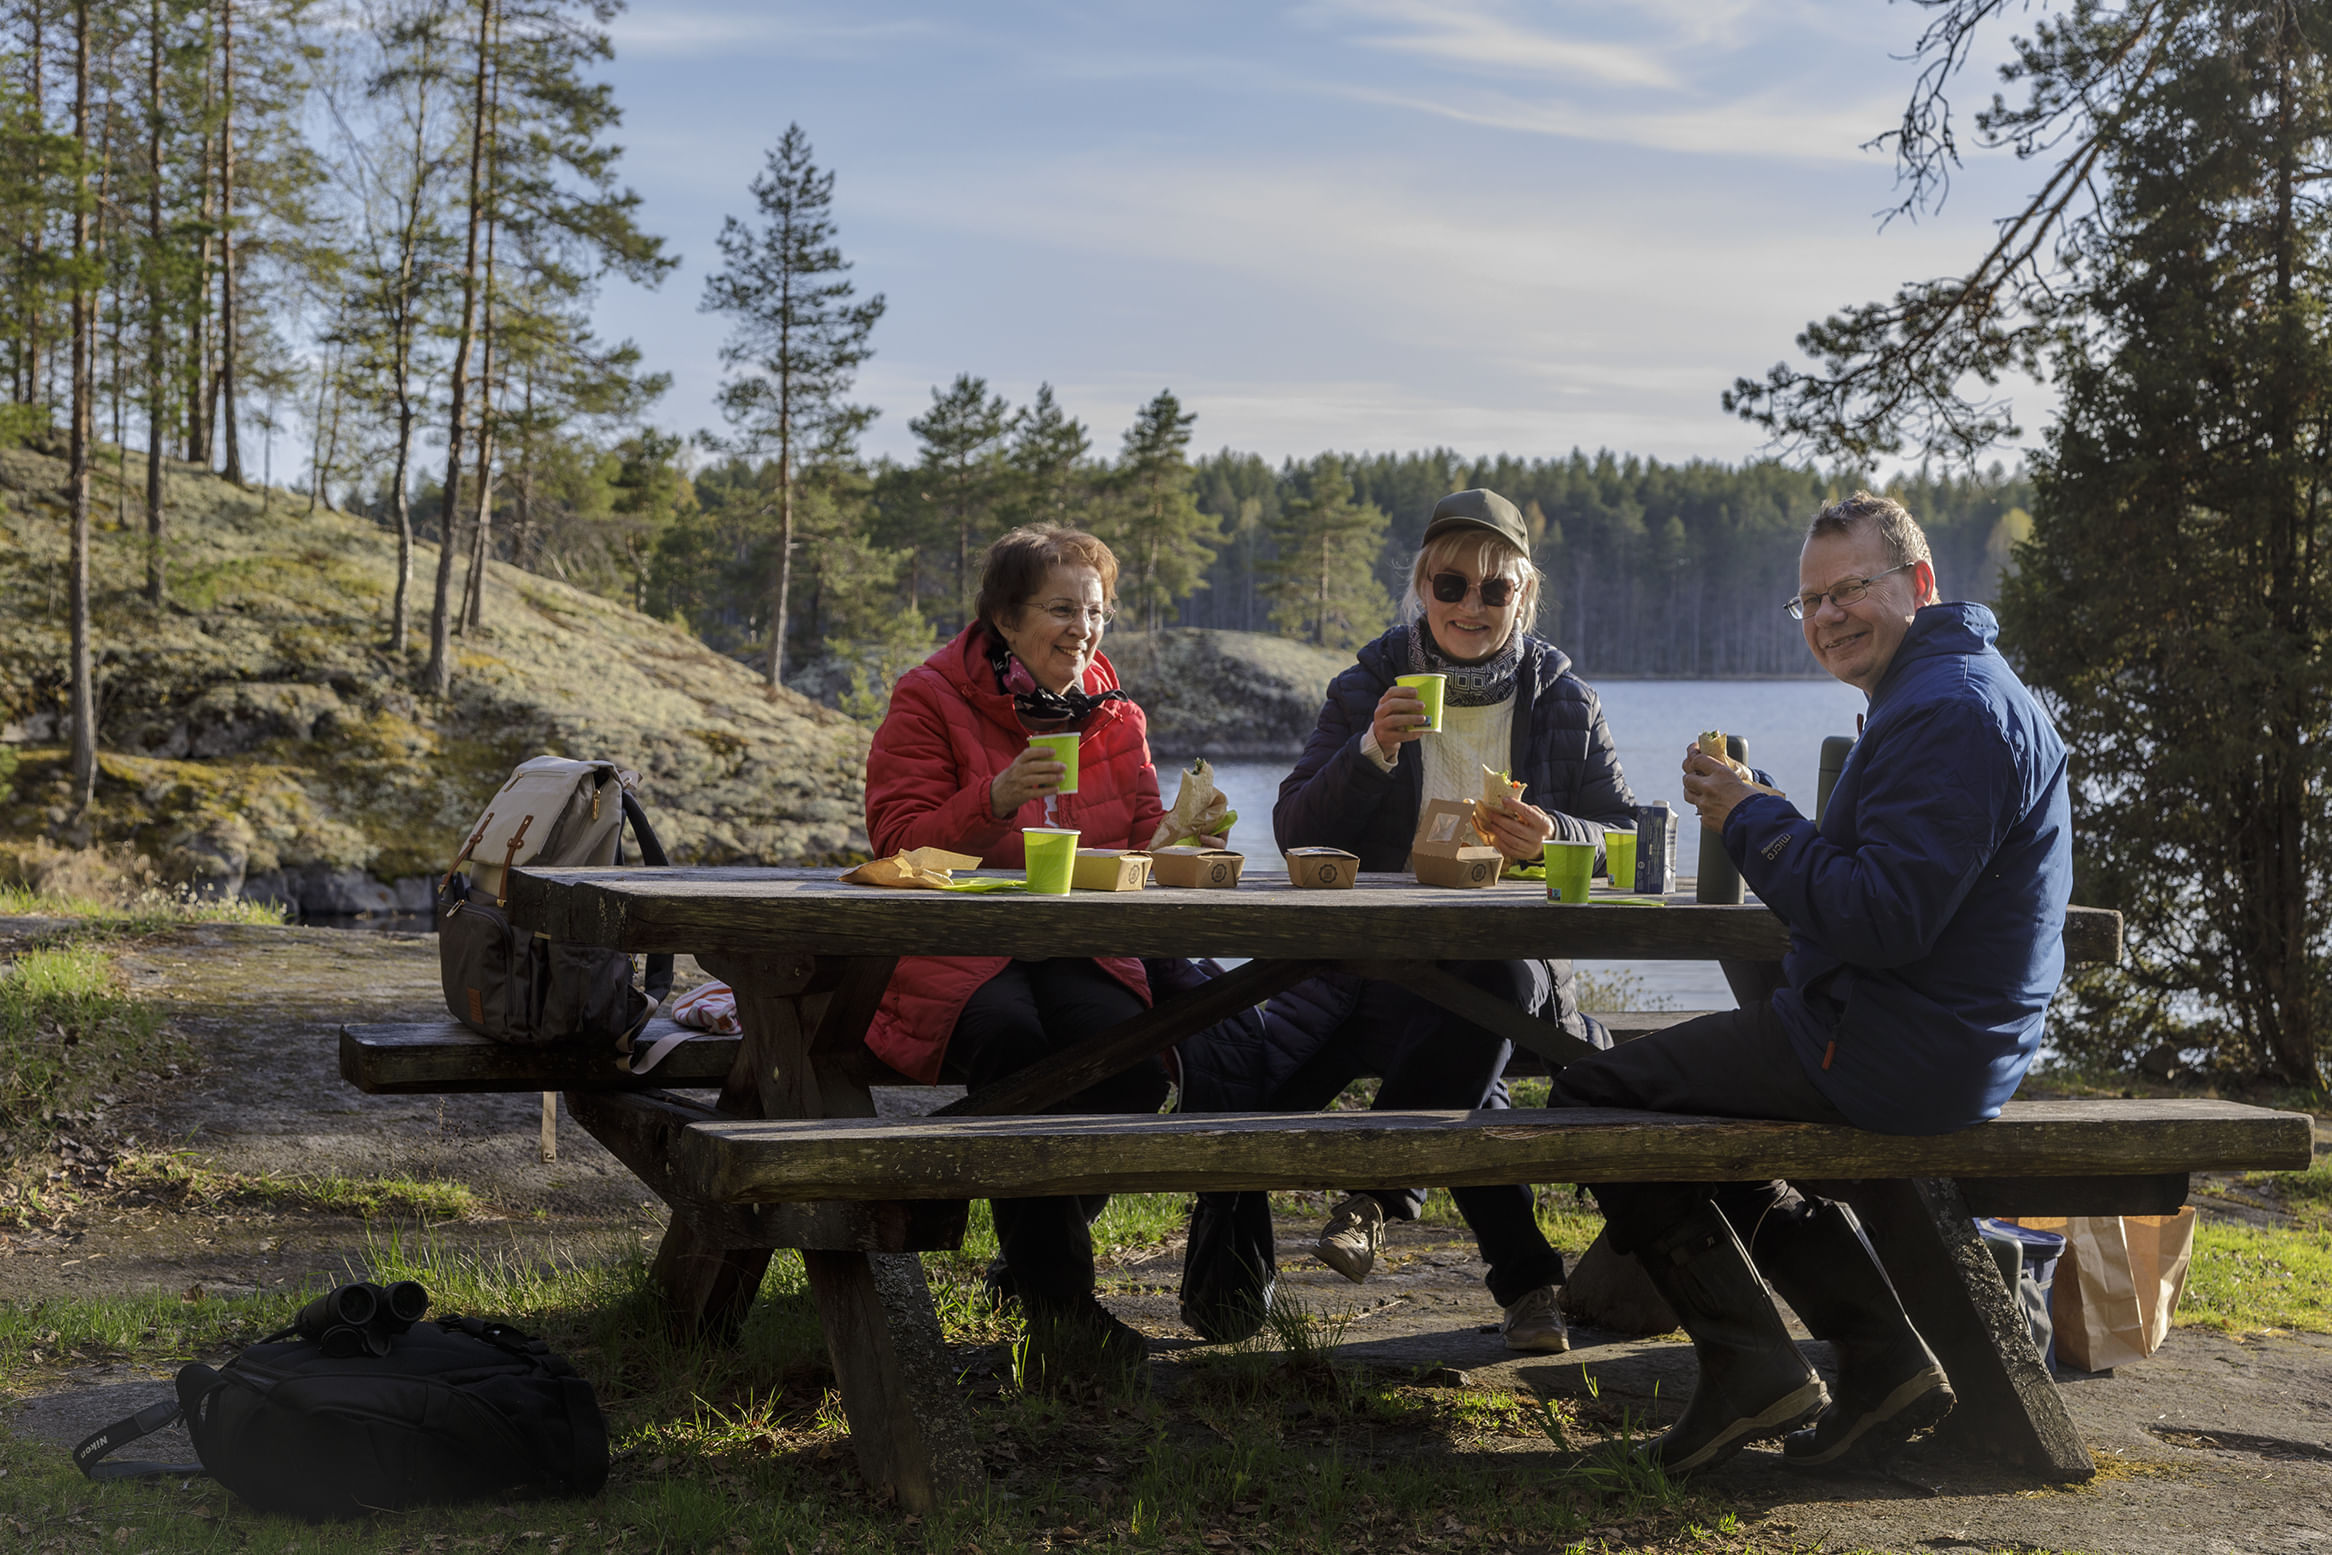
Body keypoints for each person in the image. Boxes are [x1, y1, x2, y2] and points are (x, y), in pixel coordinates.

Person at [1543, 490, 2072, 1475]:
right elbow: (1893, 898)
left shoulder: (1948, 712)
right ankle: (1878, 1362)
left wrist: (1753, 817)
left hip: (1897, 1050)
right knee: (1701, 1106)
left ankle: (1755, 1370)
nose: (1827, 616)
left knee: (1588, 1092)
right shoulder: (1950, 689)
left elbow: (1878, 916)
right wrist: (1774, 817)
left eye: (1850, 590)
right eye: (1811, 602)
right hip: (1929, 1034)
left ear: (1916, 583)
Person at [1265, 487, 1637, 1354]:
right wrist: (1370, 754)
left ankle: (1381, 1192)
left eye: (1495, 590)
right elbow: (1293, 832)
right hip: (1378, 971)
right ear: (1421, 590)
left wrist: (1556, 835)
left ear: (1525, 597)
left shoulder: (1563, 700)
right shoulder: (1367, 684)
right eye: (1451, 584)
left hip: (1519, 969)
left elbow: (1625, 838)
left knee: (1490, 983)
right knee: (1471, 1034)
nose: (1471, 606)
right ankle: (1529, 1284)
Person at [863, 524, 1177, 1381]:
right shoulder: (928, 698)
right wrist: (993, 797)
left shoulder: (1116, 714)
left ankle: (1027, 1259)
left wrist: (1181, 834)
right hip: (953, 948)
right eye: (1062, 608)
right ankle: (1060, 1303)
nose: (1085, 627)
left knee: (1136, 1065)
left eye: (1097, 610)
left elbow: (1144, 839)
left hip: (1076, 948)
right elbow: (895, 840)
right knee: (1016, 1050)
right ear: (1004, 616)